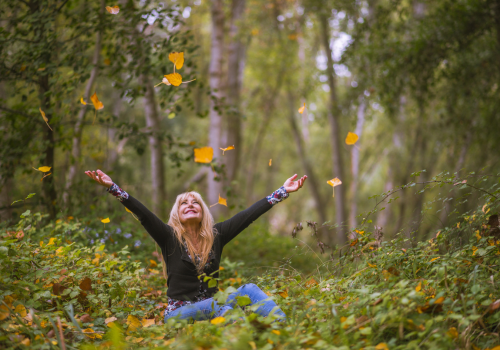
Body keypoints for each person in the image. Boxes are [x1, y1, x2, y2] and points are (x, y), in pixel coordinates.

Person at [85, 169, 307, 323]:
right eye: (184, 203)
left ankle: (282, 328)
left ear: (203, 212)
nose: (190, 205)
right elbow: (143, 214)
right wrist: (113, 187)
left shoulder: (217, 235)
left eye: (195, 202)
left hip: (214, 305)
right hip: (179, 313)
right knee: (223, 308)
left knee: (247, 291)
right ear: (177, 214)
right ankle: (240, 331)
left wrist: (282, 191)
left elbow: (248, 215)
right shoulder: (169, 236)